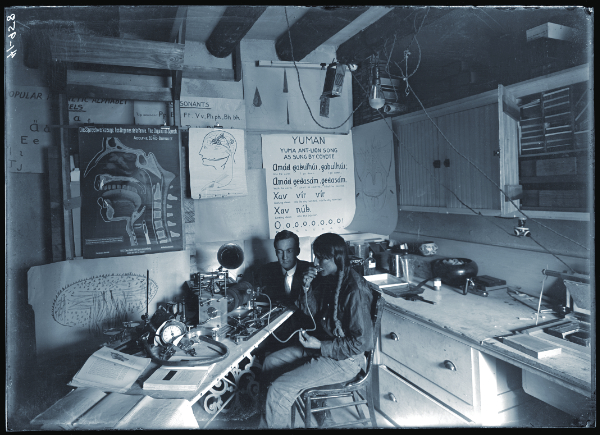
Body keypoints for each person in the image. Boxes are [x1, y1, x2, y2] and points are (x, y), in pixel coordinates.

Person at [258, 232, 374, 428]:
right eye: (316, 256)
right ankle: (271, 422)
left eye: (321, 258)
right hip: (324, 349)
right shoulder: (330, 277)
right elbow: (311, 311)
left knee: (280, 389)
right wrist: (306, 287)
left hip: (344, 361)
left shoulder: (354, 290)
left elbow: (360, 342)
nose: (316, 262)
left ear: (337, 258)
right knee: (270, 362)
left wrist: (320, 345)